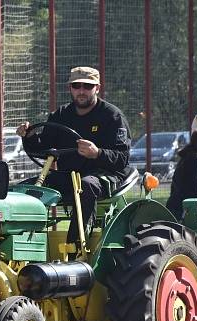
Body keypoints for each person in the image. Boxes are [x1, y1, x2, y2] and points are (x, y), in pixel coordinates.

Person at [17, 66, 131, 250]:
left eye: (87, 86)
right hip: (66, 175)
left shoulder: (112, 116)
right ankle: (21, 249)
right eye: (76, 86)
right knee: (25, 190)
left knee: (86, 185)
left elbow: (123, 158)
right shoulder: (60, 115)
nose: (81, 91)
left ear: (97, 88)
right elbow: (43, 149)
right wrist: (29, 136)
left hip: (103, 175)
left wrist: (97, 153)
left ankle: (75, 248)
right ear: (70, 88)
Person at [166, 130, 197, 221]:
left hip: (176, 203)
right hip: (186, 207)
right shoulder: (194, 160)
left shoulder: (186, 157)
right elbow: (196, 187)